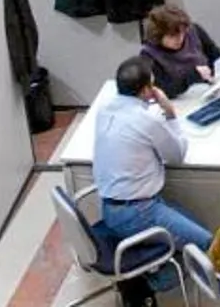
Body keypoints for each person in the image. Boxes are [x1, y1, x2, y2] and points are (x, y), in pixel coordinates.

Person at [91, 57, 213, 297]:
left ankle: (144, 274)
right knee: (204, 243)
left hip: (110, 208)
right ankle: (143, 287)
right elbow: (177, 155)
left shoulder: (103, 109)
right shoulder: (147, 120)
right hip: (139, 212)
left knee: (192, 223)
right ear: (147, 90)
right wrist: (170, 113)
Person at [140, 5, 220, 98]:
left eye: (183, 32)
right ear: (158, 35)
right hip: (180, 100)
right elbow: (162, 89)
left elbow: (215, 55)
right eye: (172, 35)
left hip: (209, 89)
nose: (180, 38)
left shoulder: (194, 31)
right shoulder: (149, 55)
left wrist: (219, 75)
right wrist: (192, 76)